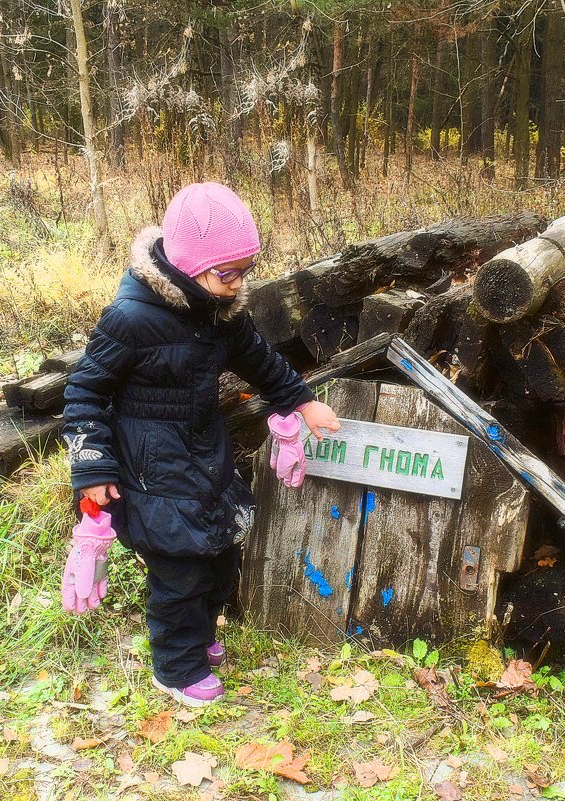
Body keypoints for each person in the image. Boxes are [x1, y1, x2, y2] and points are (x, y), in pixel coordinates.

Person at [61, 182, 340, 706]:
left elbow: (259, 359)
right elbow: (84, 393)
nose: (237, 286)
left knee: (219, 556)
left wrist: (301, 400)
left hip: (204, 457)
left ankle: (199, 635)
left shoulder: (219, 313)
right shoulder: (130, 319)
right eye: (226, 274)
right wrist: (92, 469)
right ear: (188, 266)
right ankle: (176, 667)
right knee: (179, 572)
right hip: (149, 471)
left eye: (244, 272)